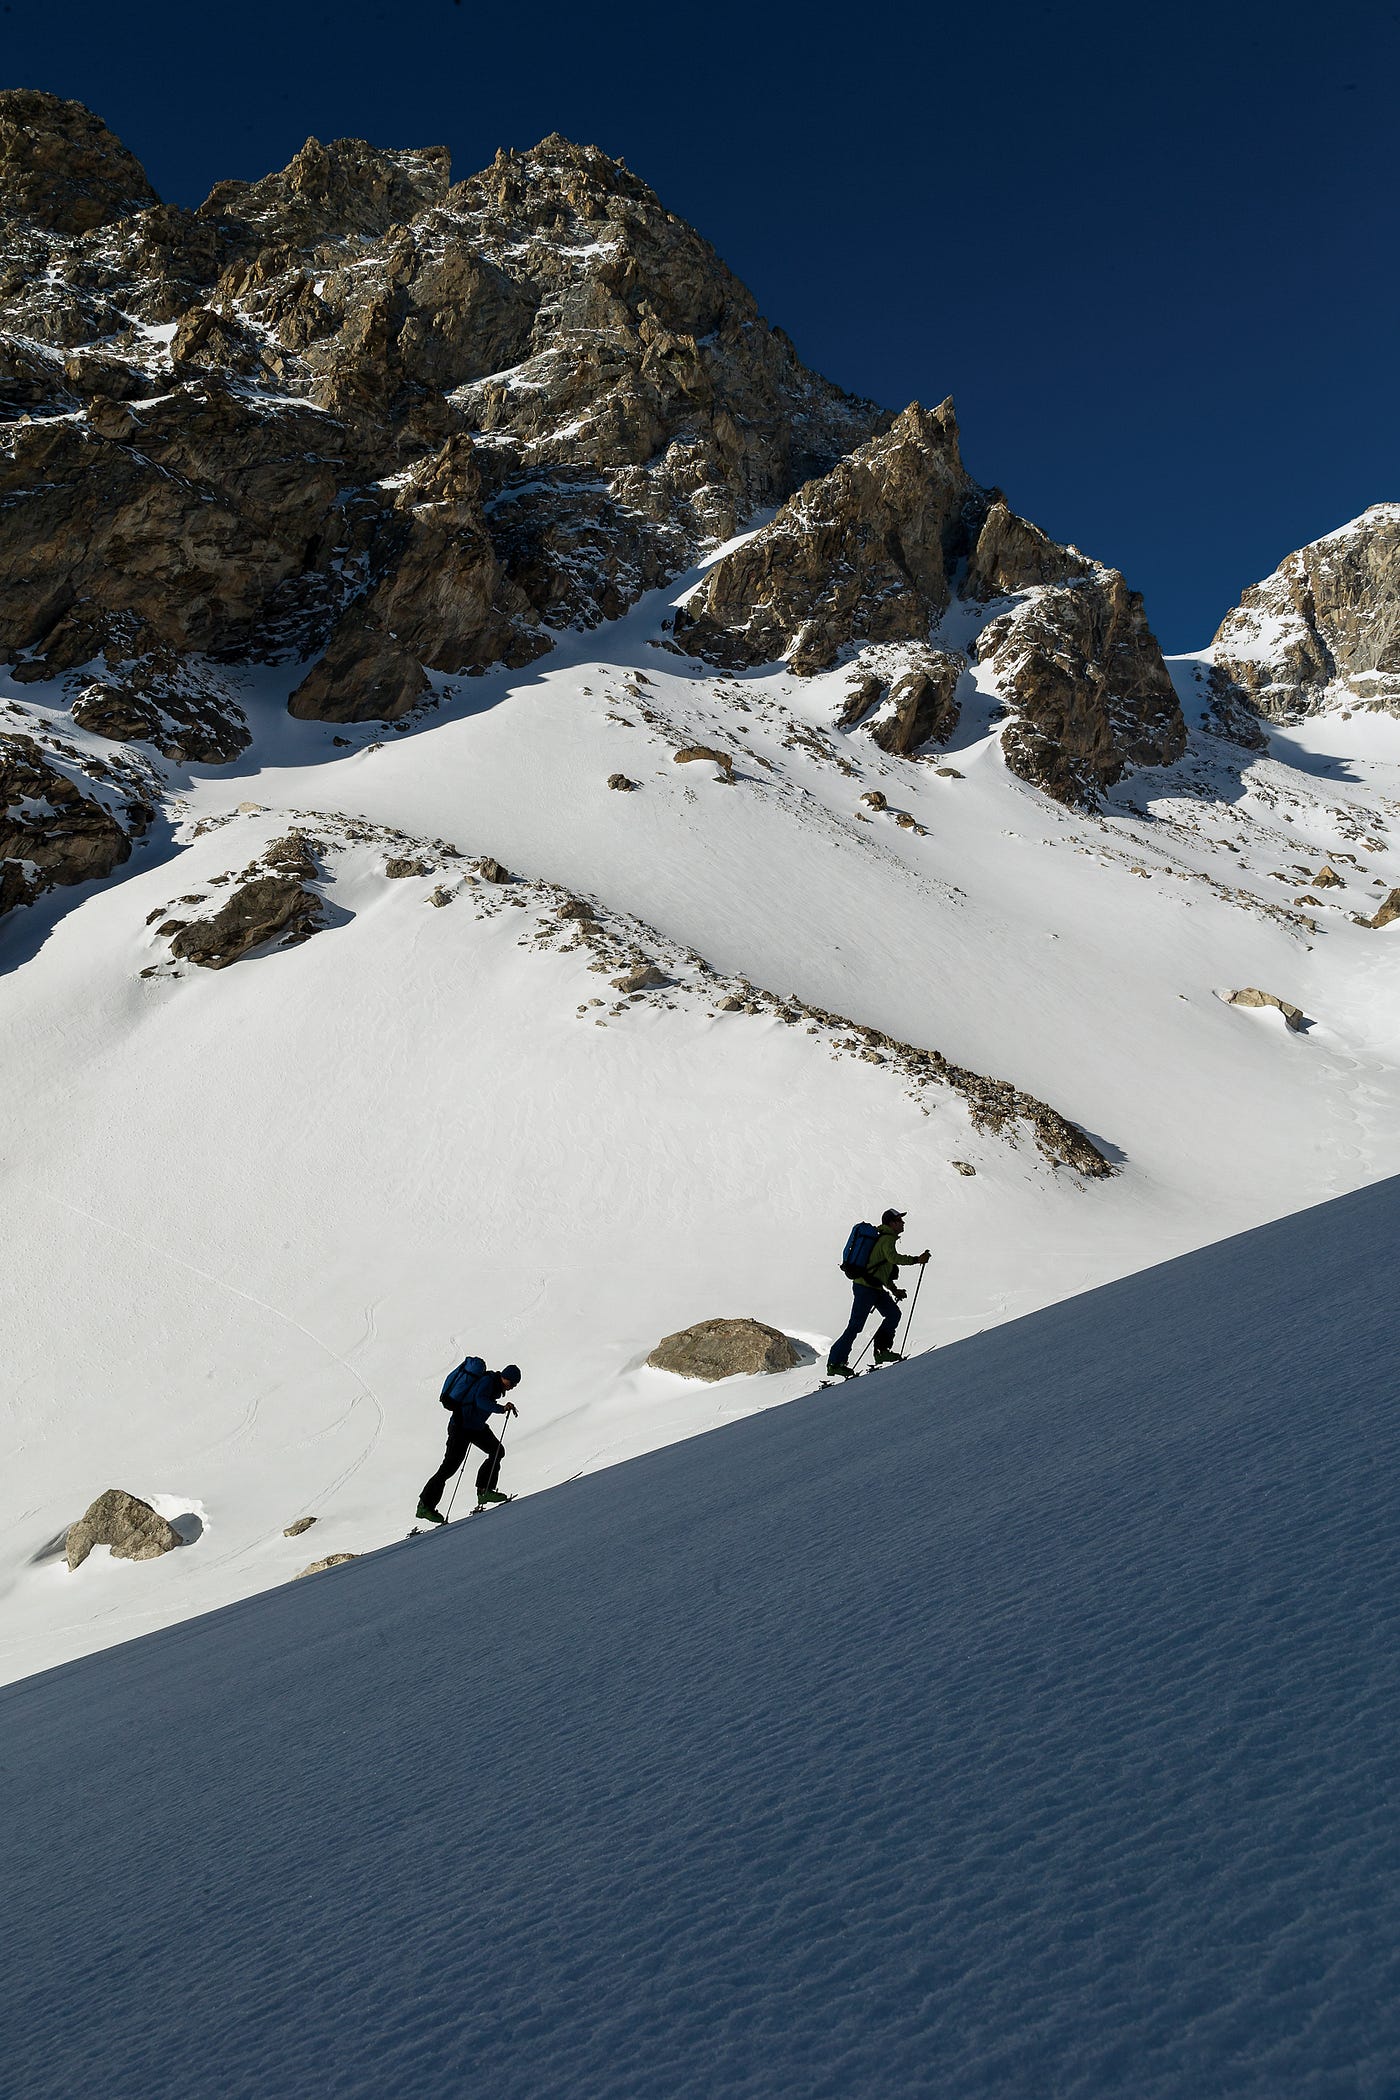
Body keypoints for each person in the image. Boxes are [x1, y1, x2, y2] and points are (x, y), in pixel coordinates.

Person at [826, 1209, 929, 1378]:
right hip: (866, 1288)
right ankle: (835, 1363)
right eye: (899, 1220)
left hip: (872, 1287)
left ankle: (881, 1351)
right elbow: (893, 1258)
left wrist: (894, 1289)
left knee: (893, 1314)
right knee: (856, 1325)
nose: (903, 1223)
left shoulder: (885, 1238)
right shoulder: (887, 1239)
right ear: (892, 1223)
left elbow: (881, 1270)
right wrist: (917, 1259)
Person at [417, 1361, 521, 1522]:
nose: (513, 1386)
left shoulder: (493, 1384)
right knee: (449, 1468)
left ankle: (484, 1491)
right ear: (505, 1377)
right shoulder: (488, 1381)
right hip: (461, 1427)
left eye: (515, 1384)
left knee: (497, 1451)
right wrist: (501, 1408)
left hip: (474, 1427)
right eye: (512, 1383)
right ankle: (425, 1506)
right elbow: (480, 1401)